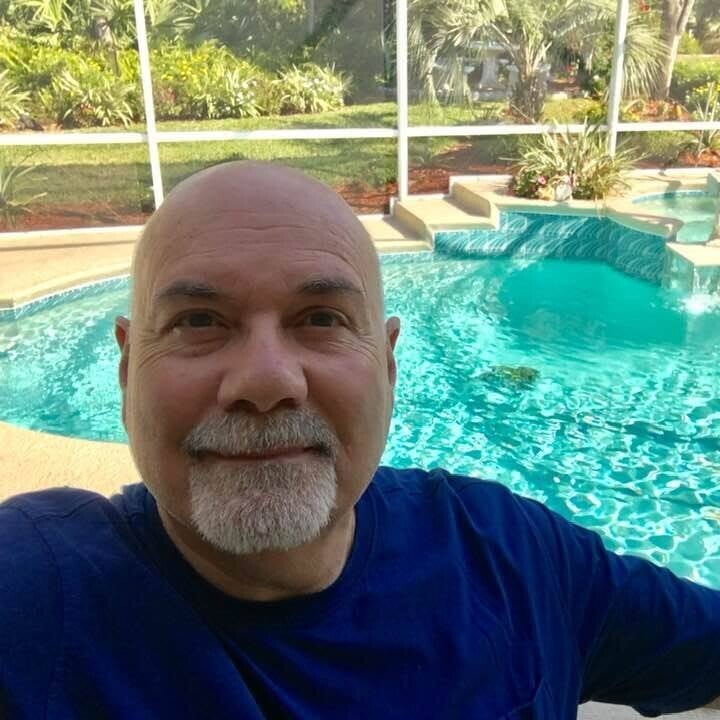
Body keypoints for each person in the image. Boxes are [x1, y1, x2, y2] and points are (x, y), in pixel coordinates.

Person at [1, 161, 720, 720]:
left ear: (389, 365)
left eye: (321, 318)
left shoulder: (511, 556)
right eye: (198, 321)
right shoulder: (35, 597)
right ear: (128, 369)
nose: (265, 380)